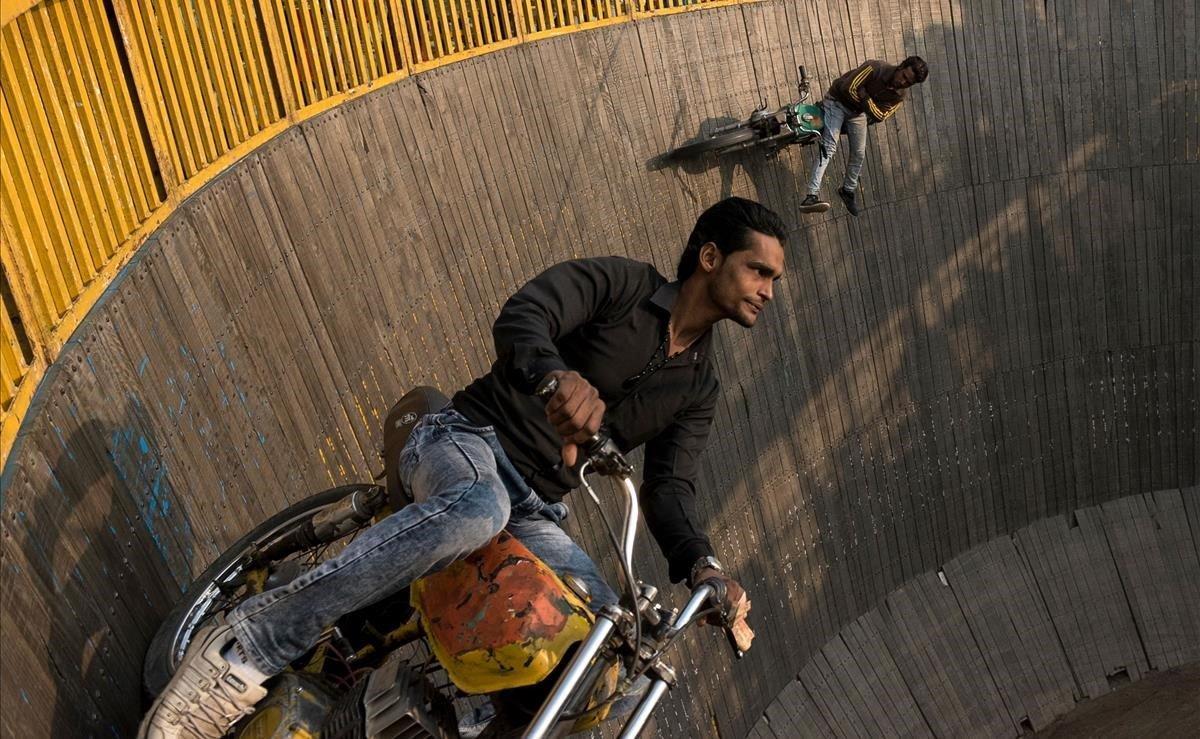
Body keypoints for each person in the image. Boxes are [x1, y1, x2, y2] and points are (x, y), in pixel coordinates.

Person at [139, 196, 788, 738]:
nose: (768, 288)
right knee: (481, 509)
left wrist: (704, 567)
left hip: (540, 506)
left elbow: (670, 488)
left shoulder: (699, 385)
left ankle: (433, 710)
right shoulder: (623, 286)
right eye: (758, 270)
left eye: (773, 279)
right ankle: (252, 641)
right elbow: (525, 313)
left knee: (605, 646)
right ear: (710, 257)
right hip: (471, 438)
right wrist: (553, 376)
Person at [799, 56, 928, 216]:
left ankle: (847, 191)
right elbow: (848, 89)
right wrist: (868, 104)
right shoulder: (875, 67)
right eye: (904, 77)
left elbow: (881, 115)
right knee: (830, 147)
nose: (903, 83)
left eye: (908, 83)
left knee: (859, 154)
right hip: (837, 102)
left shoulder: (899, 96)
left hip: (857, 113)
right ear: (900, 66)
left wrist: (865, 97)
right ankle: (811, 195)